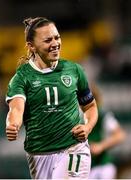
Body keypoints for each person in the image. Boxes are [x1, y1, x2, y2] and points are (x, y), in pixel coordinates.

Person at [5, 17, 98, 179]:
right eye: (48, 40)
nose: (55, 43)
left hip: (73, 148)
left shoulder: (74, 70)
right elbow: (16, 109)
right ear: (31, 46)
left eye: (57, 37)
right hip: (39, 154)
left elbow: (90, 107)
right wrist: (13, 124)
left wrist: (87, 127)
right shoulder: (22, 78)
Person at [88, 84, 126, 179]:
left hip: (101, 165)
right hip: (85, 166)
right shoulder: (75, 116)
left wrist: (101, 146)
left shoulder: (102, 115)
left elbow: (120, 135)